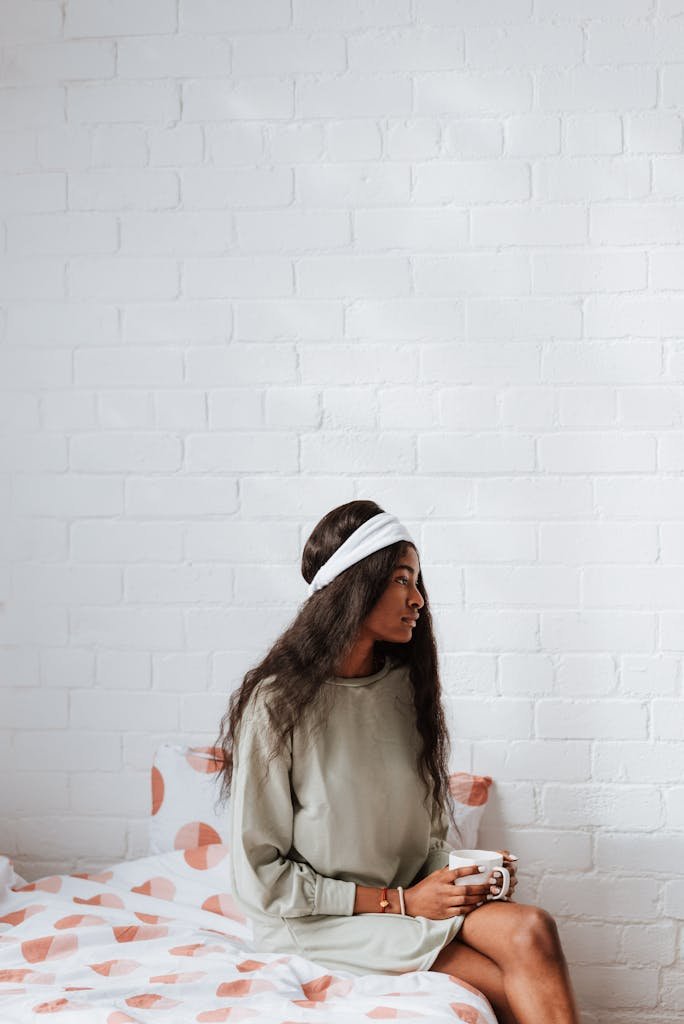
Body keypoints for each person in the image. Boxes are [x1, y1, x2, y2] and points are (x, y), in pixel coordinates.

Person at [215, 500, 580, 1024]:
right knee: (502, 986)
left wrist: (462, 874)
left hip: (409, 901)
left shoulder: (406, 692)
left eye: (417, 580)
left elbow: (421, 843)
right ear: (356, 587)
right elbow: (261, 879)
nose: (419, 599)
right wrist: (398, 903)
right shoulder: (276, 706)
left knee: (532, 929)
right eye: (402, 580)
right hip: (318, 920)